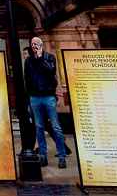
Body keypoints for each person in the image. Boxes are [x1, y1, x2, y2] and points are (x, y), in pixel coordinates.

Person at [24, 36, 67, 168]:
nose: (34, 46)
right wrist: (29, 98)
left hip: (48, 97)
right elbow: (27, 79)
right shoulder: (29, 61)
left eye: (37, 44)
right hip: (35, 97)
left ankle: (62, 156)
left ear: (41, 45)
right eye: (32, 44)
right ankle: (42, 155)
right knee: (39, 127)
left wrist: (41, 57)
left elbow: (50, 71)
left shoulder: (49, 57)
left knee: (55, 127)